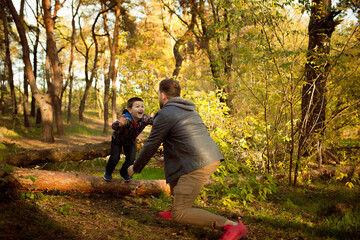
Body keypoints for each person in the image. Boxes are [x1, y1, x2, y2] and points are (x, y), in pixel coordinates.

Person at [127, 78, 247, 240]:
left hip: (199, 163)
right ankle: (175, 206)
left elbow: (150, 145)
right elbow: (186, 139)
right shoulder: (189, 110)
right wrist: (169, 159)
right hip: (205, 156)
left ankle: (231, 226)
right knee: (176, 174)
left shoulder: (165, 114)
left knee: (181, 214)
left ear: (162, 96)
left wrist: (136, 167)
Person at [103, 97, 153, 181]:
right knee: (115, 158)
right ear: (130, 110)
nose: (141, 109)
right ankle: (108, 172)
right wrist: (120, 125)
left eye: (142, 106)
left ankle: (123, 172)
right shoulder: (126, 119)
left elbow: (156, 121)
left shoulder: (145, 119)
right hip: (117, 140)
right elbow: (113, 126)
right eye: (137, 106)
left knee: (131, 160)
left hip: (130, 141)